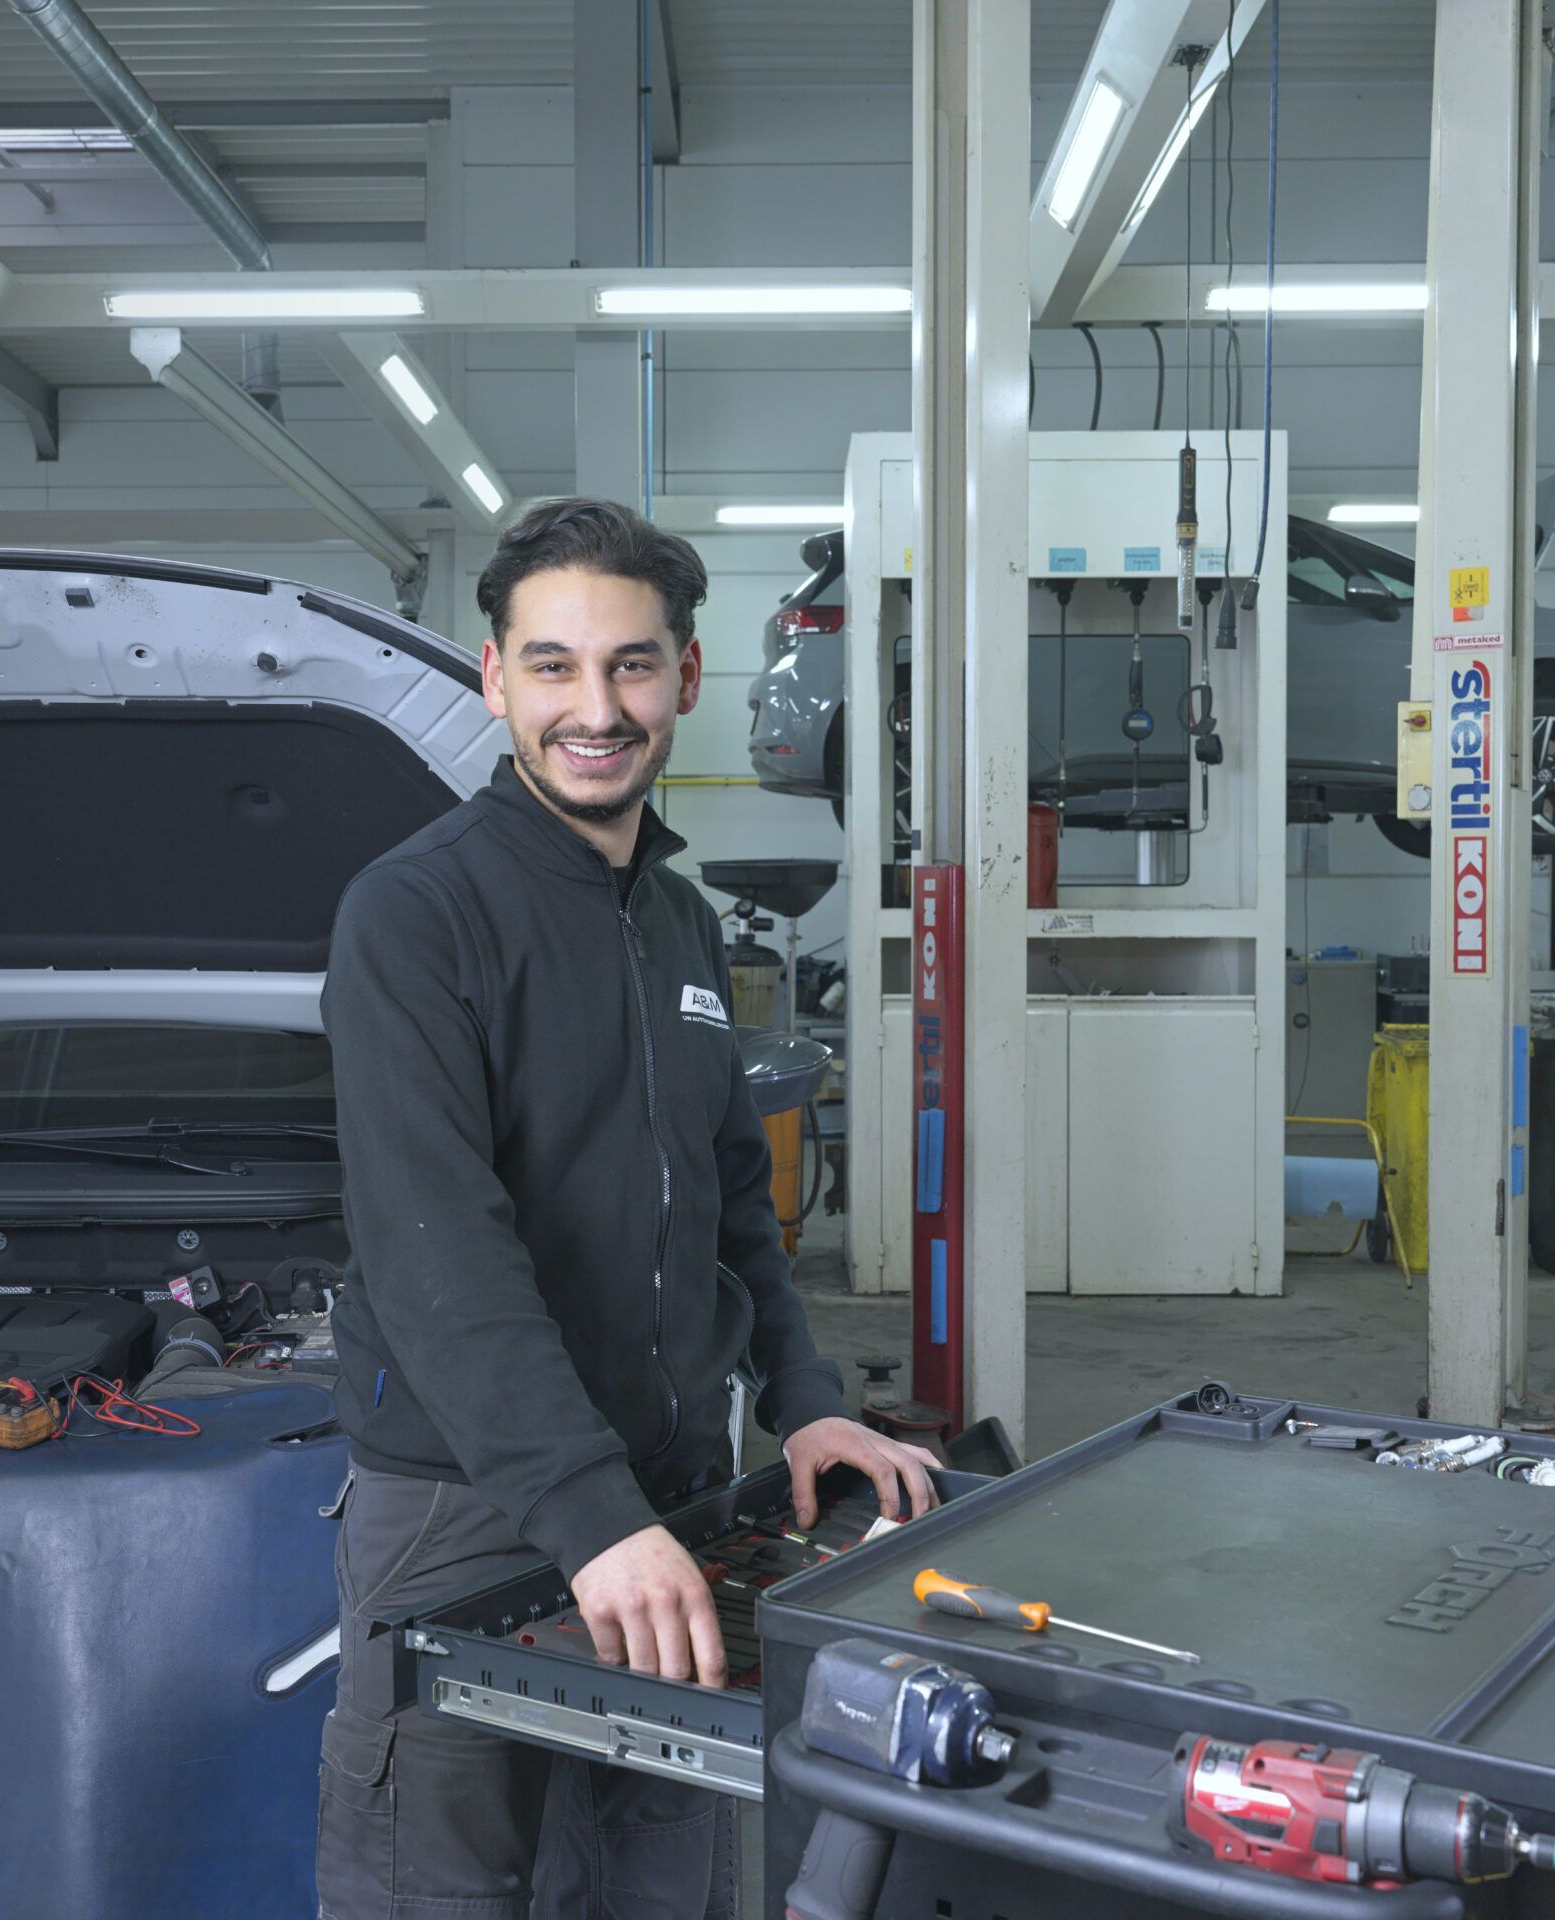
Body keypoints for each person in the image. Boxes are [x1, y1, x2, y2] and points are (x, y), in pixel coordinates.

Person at [315, 498, 939, 1918]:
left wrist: (806, 1398)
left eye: (631, 666)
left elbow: (733, 1204)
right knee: (439, 1887)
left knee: (663, 1882)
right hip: (467, 1507)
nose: (594, 709)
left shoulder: (681, 920)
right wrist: (590, 1518)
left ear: (687, 678)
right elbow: (435, 1252)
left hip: (668, 1496)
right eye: (553, 666)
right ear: (494, 678)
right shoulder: (415, 916)